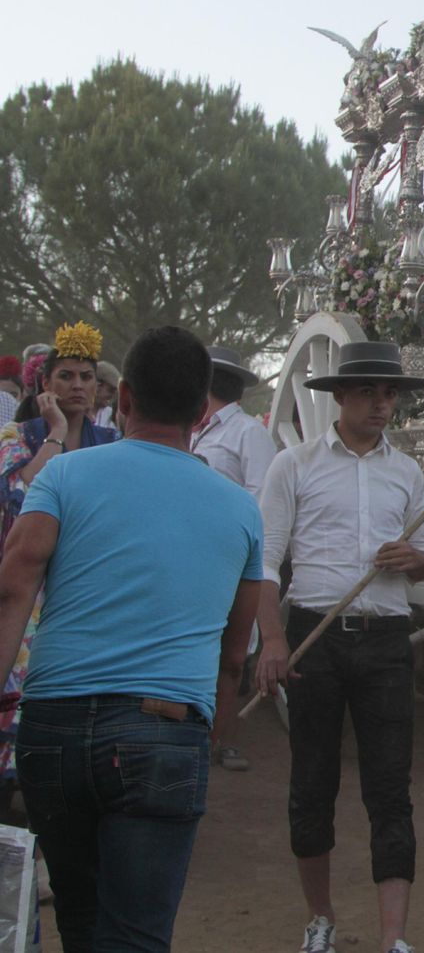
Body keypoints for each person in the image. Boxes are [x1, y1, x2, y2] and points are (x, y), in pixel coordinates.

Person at [0, 326, 263, 951]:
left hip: (54, 728)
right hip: (166, 730)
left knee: (81, 923)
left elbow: (13, 588)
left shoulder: (62, 477)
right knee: (138, 934)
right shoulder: (240, 510)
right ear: (202, 411)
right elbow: (235, 649)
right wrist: (214, 735)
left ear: (122, 400)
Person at [254, 342, 424, 953]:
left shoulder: (407, 472)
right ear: (339, 397)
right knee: (312, 783)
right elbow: (265, 562)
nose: (383, 404)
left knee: (390, 787)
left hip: (386, 640)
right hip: (313, 637)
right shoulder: (295, 466)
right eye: (369, 393)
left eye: (390, 395)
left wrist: (416, 559)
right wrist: (273, 639)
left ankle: (393, 939)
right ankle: (320, 919)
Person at [0, 324, 121, 797]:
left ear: (98, 387)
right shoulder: (18, 435)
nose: (76, 386)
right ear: (44, 384)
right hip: (28, 585)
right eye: (66, 376)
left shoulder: (111, 442)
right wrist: (54, 432)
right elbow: (23, 492)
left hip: (87, 585)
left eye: (86, 377)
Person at [193, 345, 279, 773]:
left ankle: (221, 739)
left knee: (230, 655)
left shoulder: (248, 433)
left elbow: (260, 498)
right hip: (189, 552)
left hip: (227, 553)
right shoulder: (194, 431)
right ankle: (195, 733)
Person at [93, 361, 120, 429]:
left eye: (115, 392)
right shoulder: (78, 412)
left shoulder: (111, 415)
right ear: (97, 385)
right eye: (110, 390)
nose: (112, 396)